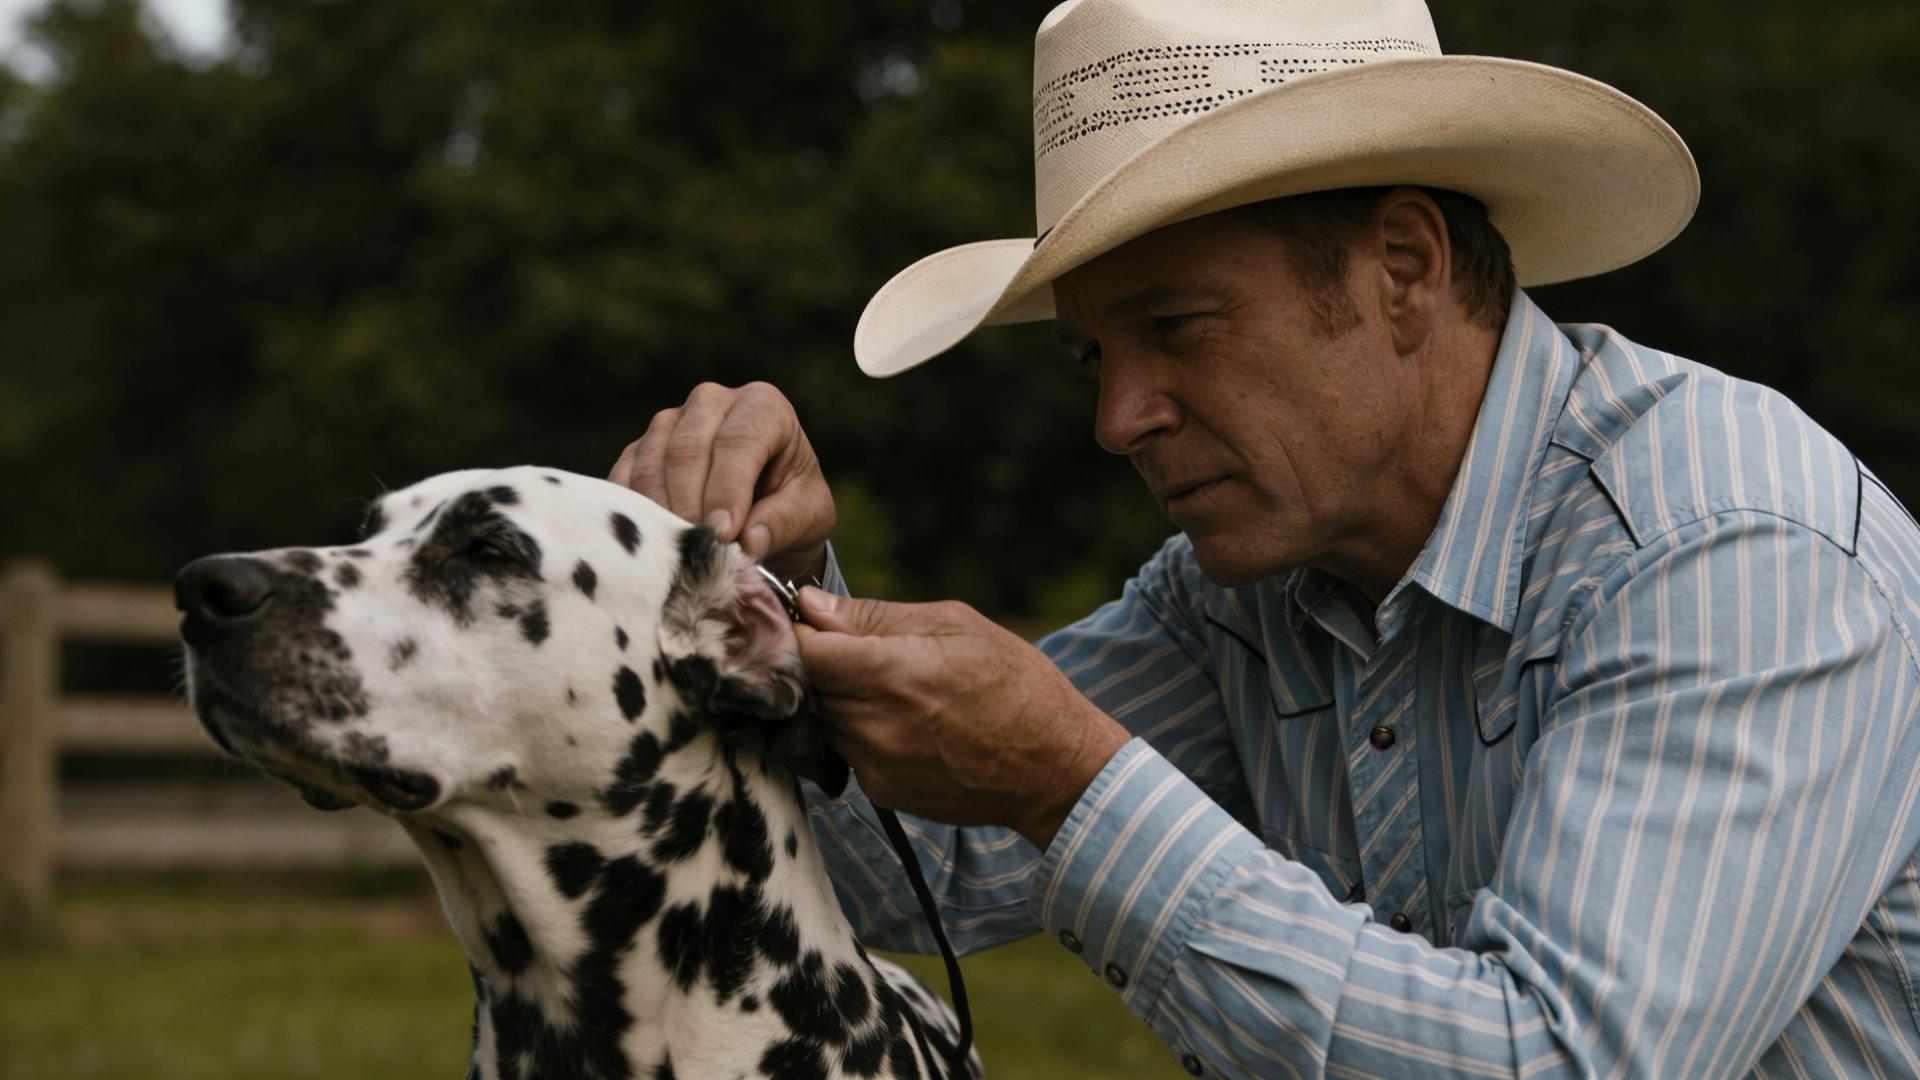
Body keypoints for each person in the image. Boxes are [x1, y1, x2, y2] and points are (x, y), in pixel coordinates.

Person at [611, 1, 1920, 1075]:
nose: (1122, 417)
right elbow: (914, 876)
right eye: (1093, 357)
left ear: (1402, 269)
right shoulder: (1240, 594)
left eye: (1178, 327)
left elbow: (1564, 1062)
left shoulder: (1724, 548)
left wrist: (1073, 782)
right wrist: (764, 589)